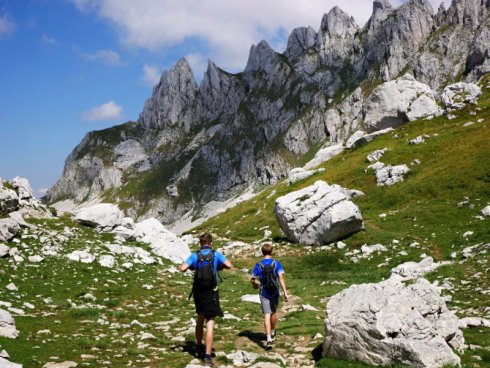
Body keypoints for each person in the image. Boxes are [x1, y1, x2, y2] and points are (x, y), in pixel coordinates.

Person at [179, 233, 232, 367]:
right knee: (211, 321)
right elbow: (229, 265)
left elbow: (182, 268)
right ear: (211, 243)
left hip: (198, 292)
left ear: (200, 243)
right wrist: (219, 266)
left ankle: (198, 346)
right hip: (211, 291)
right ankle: (208, 355)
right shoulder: (215, 254)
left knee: (200, 317)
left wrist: (191, 266)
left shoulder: (195, 255)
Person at [250, 243, 289, 350]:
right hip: (275, 292)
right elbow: (281, 278)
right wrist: (285, 292)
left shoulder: (258, 265)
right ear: (271, 252)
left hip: (264, 292)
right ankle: (273, 331)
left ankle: (269, 340)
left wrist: (255, 285)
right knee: (273, 312)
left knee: (266, 315)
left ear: (262, 252)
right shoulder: (276, 264)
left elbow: (252, 279)